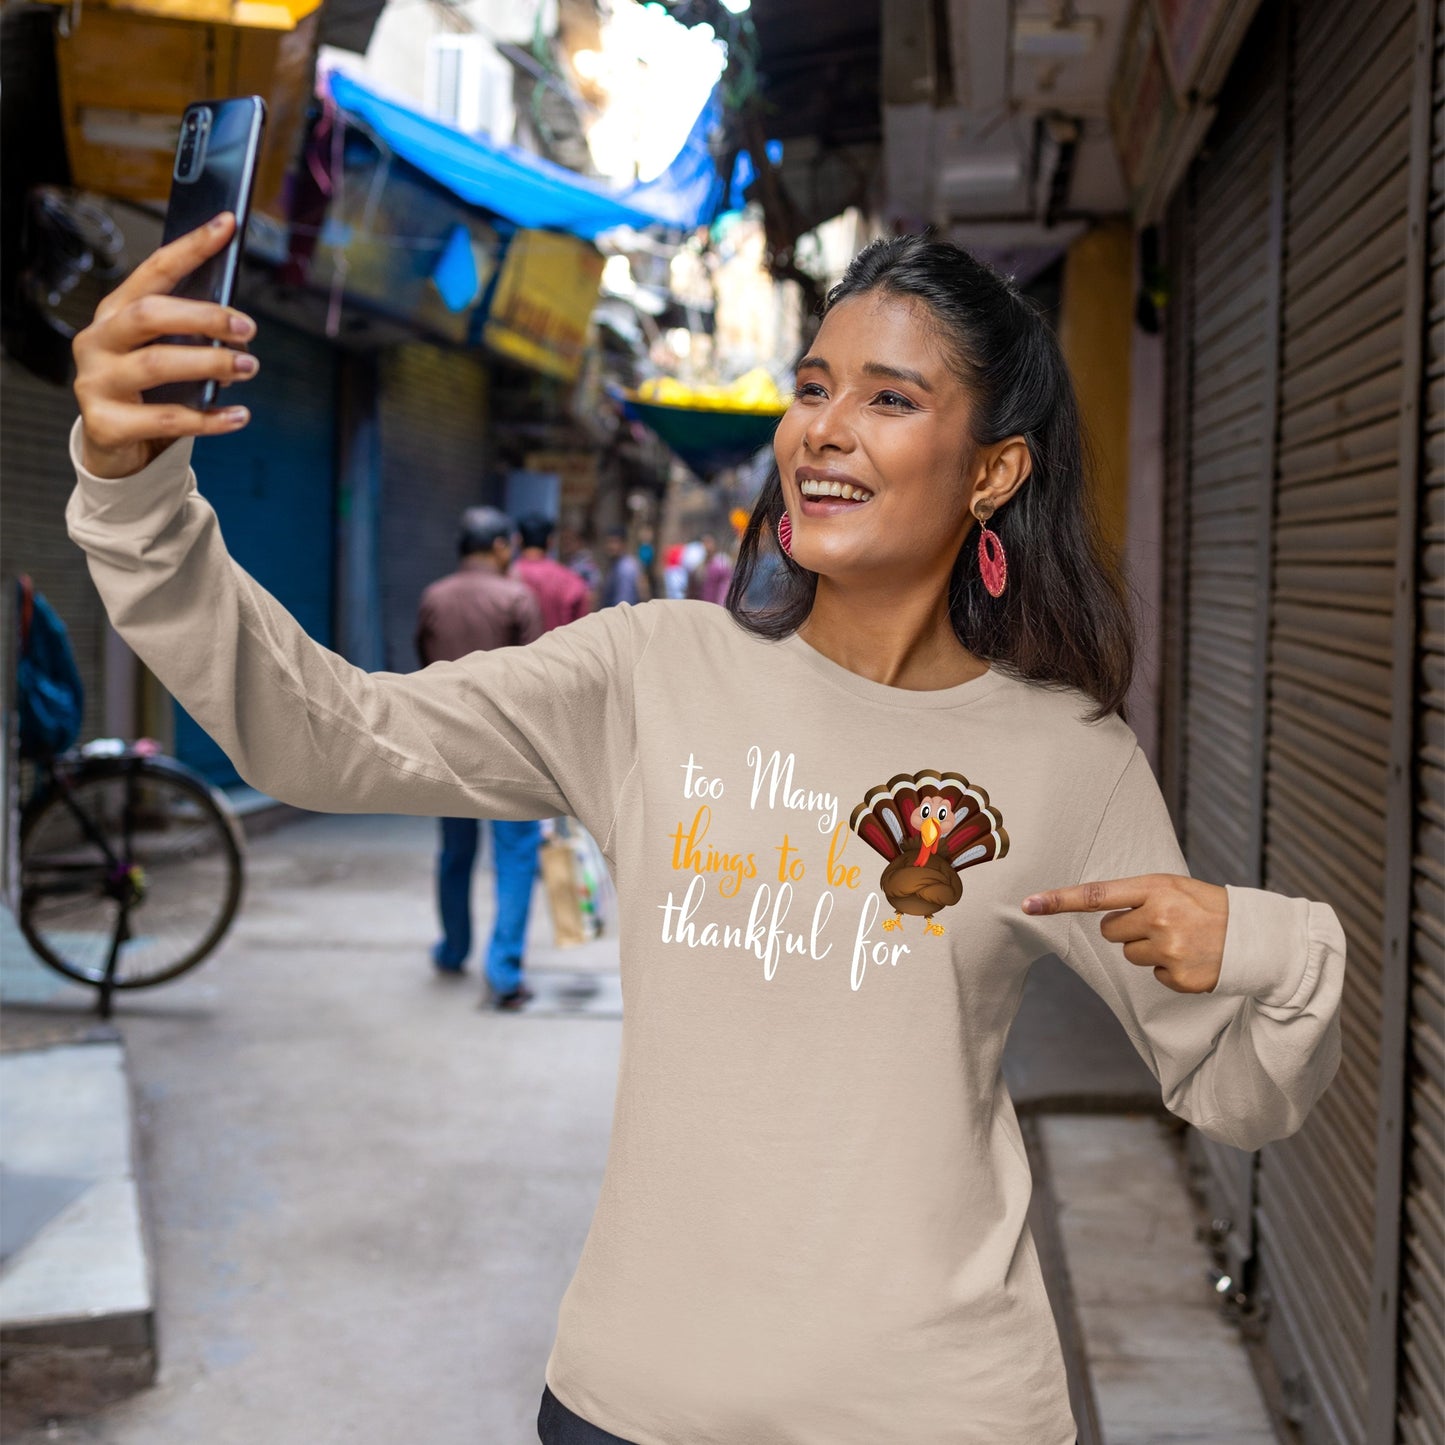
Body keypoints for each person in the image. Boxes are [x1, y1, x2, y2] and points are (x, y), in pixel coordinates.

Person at [67, 215, 1346, 1445]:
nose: (824, 433)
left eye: (888, 400)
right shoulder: (648, 670)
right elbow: (324, 733)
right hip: (636, 1403)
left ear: (995, 469)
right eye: (811, 387)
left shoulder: (1065, 758)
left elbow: (1231, 1092)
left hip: (938, 1412)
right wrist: (139, 506)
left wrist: (1274, 947)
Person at [415, 506, 543, 1009]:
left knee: (455, 854)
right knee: (515, 856)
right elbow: (539, 682)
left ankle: (452, 950)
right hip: (509, 751)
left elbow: (423, 668)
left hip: (447, 746)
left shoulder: (433, 598)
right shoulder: (516, 597)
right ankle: (505, 971)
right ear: (498, 547)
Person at [512, 513, 592, 632]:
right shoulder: (571, 580)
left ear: (518, 540)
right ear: (550, 541)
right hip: (558, 649)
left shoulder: (505, 576)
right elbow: (582, 630)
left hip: (511, 651)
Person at [599, 528, 646, 607]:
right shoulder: (614, 565)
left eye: (614, 542)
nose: (611, 546)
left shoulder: (627, 567)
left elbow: (624, 601)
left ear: (623, 544)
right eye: (608, 542)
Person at [686, 531, 734, 605]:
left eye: (708, 542)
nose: (706, 546)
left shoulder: (721, 563)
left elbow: (725, 588)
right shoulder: (699, 565)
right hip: (701, 604)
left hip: (716, 605)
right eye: (704, 543)